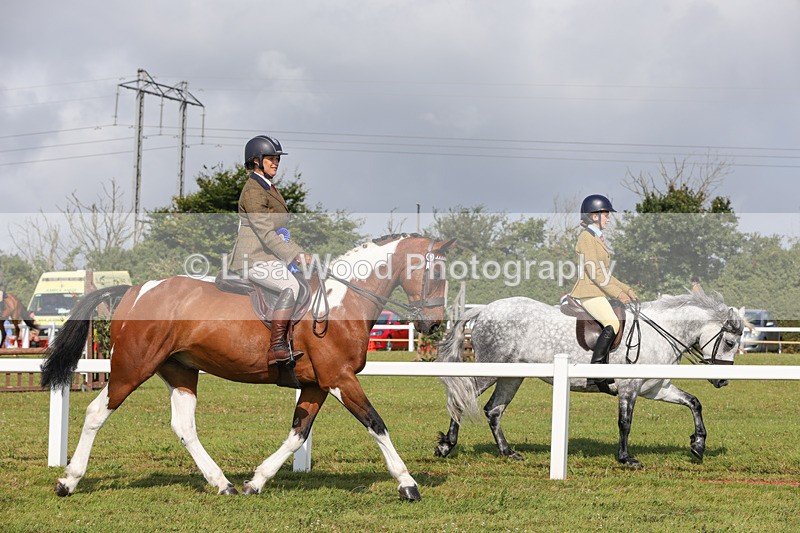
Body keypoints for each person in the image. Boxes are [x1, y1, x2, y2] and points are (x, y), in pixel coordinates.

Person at [227, 135, 312, 388]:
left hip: (269, 255)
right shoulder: (253, 190)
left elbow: (277, 232)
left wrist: (296, 252)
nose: (276, 162)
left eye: (277, 158)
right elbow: (265, 231)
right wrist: (295, 254)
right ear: (256, 161)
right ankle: (276, 348)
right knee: (291, 287)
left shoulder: (268, 187)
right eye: (271, 158)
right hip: (253, 258)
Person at [569, 194, 637, 394]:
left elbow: (606, 274)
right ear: (594, 216)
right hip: (588, 292)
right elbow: (596, 273)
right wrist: (618, 294)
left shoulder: (597, 238)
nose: (608, 218)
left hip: (597, 290)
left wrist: (627, 290)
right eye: (606, 214)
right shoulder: (586, 238)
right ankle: (595, 375)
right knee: (613, 323)